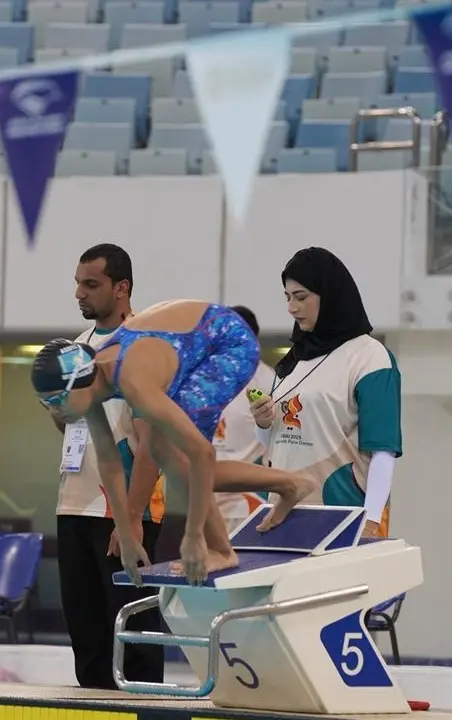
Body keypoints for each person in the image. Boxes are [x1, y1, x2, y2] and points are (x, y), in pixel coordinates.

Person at [31, 299, 315, 586]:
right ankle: (290, 484)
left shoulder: (130, 379)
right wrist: (126, 534)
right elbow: (109, 461)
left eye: (56, 400)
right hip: (193, 346)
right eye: (45, 403)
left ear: (77, 383)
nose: (54, 410)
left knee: (175, 457)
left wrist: (193, 536)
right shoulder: (91, 380)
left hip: (228, 343)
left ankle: (221, 549)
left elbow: (202, 453)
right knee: (164, 452)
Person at [47, 243, 166, 690]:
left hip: (122, 511)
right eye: (77, 283)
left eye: (91, 284)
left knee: (132, 641)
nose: (79, 293)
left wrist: (131, 518)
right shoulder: (77, 347)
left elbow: (152, 443)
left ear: (121, 288)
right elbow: (74, 427)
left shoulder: (144, 345)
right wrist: (55, 408)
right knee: (88, 639)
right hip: (74, 504)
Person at [249, 247, 403, 539]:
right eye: (287, 297)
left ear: (330, 295)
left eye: (301, 297)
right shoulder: (292, 361)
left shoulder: (370, 357)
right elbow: (276, 443)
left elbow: (383, 450)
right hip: (281, 516)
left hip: (343, 515)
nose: (292, 308)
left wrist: (371, 520)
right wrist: (263, 423)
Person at [213, 305, 276, 533]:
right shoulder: (208, 376)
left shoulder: (269, 382)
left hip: (246, 501)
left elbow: (276, 443)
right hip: (204, 497)